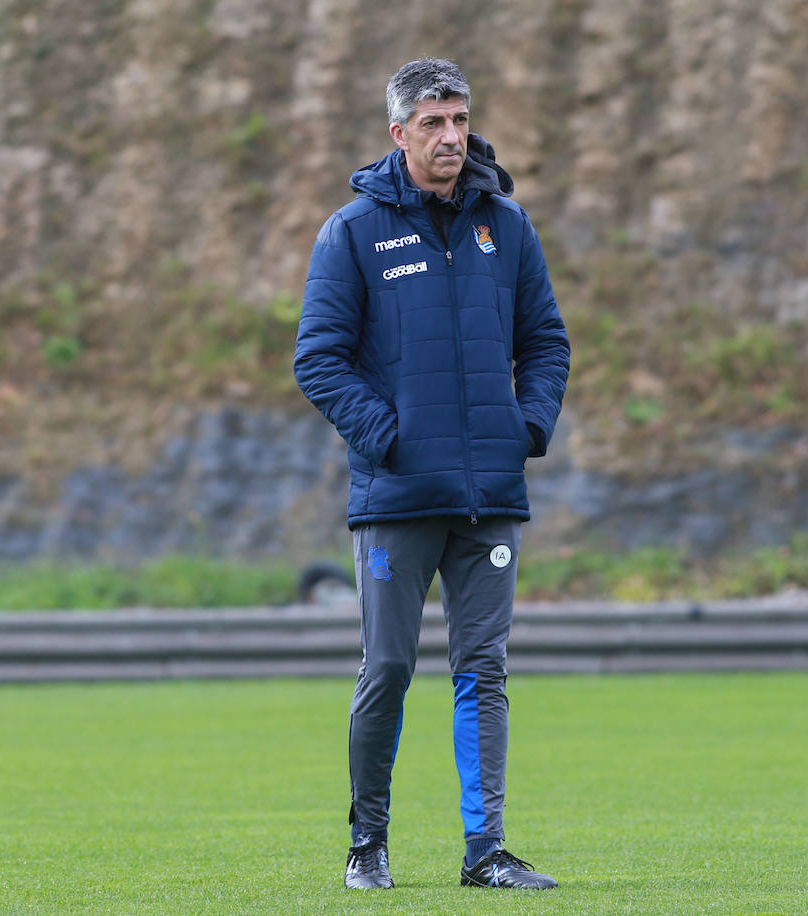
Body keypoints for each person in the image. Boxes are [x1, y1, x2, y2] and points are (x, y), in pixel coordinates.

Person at [293, 58, 570, 891]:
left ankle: (485, 851)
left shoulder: (506, 227)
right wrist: (391, 438)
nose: (452, 136)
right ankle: (367, 843)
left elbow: (547, 342)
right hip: (398, 494)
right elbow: (319, 359)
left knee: (483, 671)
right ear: (399, 133)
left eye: (460, 119)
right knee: (388, 669)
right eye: (433, 123)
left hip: (488, 496)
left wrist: (524, 426)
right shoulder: (353, 232)